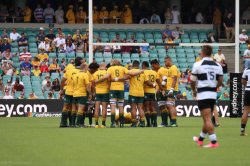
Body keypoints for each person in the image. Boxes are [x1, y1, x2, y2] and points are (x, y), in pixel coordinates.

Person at [191, 45, 223, 148]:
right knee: (206, 119)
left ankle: (214, 142)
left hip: (203, 94)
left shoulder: (198, 64)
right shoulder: (218, 65)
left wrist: (194, 91)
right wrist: (214, 87)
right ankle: (200, 140)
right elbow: (220, 81)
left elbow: (192, 81)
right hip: (213, 94)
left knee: (207, 119)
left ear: (203, 52)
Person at [95, 59, 143, 127]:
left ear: (113, 63)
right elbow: (131, 74)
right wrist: (141, 71)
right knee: (121, 106)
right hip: (121, 89)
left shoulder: (110, 68)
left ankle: (113, 123)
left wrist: (98, 80)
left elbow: (106, 77)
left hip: (113, 89)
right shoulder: (123, 68)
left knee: (113, 106)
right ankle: (122, 123)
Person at [72, 58, 92, 127]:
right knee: (81, 109)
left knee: (76, 109)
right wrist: (90, 94)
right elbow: (88, 86)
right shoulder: (85, 75)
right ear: (85, 68)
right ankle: (78, 124)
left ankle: (75, 123)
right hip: (82, 94)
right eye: (87, 68)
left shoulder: (75, 75)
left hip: (75, 94)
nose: (87, 70)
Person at [142, 61, 161, 127]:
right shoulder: (154, 72)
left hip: (146, 91)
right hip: (153, 92)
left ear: (144, 66)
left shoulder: (144, 72)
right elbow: (159, 82)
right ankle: (155, 123)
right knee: (153, 107)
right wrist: (161, 89)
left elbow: (146, 82)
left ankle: (149, 123)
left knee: (147, 107)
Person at [150, 59, 168, 127]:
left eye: (153, 66)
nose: (152, 67)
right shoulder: (159, 70)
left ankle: (164, 123)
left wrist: (160, 89)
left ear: (157, 64)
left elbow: (165, 79)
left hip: (162, 90)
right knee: (163, 107)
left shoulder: (161, 70)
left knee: (162, 106)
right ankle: (165, 122)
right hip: (163, 90)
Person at [92, 63, 109, 128]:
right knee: (104, 108)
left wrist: (93, 92)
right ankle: (103, 124)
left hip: (97, 92)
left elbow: (93, 84)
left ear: (99, 67)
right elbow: (109, 81)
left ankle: (96, 124)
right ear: (105, 67)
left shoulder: (95, 73)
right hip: (105, 92)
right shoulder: (107, 72)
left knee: (97, 108)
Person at [165, 57, 180, 127]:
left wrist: (171, 89)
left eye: (165, 61)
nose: (164, 63)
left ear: (169, 61)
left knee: (170, 105)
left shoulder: (173, 68)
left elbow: (174, 79)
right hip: (170, 89)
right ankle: (173, 121)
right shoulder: (170, 68)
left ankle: (173, 122)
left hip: (172, 89)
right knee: (171, 105)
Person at [241, 66, 250, 136]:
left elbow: (243, 81)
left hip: (248, 91)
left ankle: (242, 131)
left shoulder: (247, 69)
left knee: (246, 111)